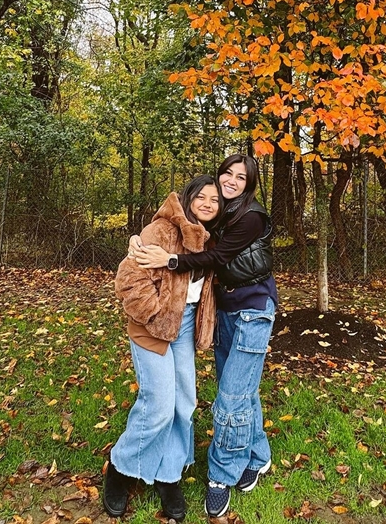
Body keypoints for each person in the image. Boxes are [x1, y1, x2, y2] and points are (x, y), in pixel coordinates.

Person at [129, 154, 278, 517]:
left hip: (252, 311)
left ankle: (221, 475)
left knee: (230, 400)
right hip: (226, 312)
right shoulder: (221, 214)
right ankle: (258, 456)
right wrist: (139, 241)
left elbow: (217, 257)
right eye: (227, 173)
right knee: (243, 392)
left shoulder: (251, 216)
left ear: (250, 183)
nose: (231, 181)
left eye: (240, 177)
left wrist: (170, 261)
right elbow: (178, 230)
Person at [104, 175, 221, 521]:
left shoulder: (212, 241)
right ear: (188, 198)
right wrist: (155, 315)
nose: (207, 204)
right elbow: (128, 280)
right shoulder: (161, 231)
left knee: (183, 403)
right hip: (152, 325)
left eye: (214, 200)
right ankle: (120, 468)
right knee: (158, 403)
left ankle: (168, 475)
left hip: (184, 326)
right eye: (201, 197)